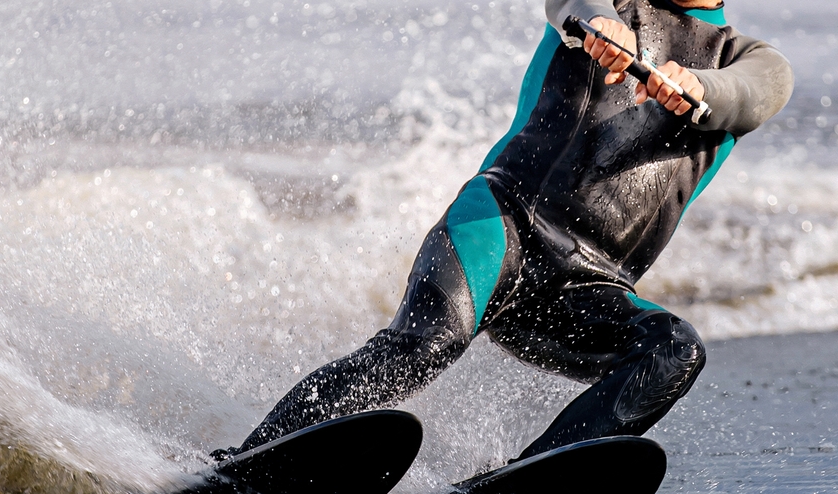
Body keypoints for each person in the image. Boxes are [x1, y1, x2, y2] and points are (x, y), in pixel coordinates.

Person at [213, 0, 794, 464]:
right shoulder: (609, 3)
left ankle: (523, 490)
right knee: (422, 347)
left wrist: (696, 88)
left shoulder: (753, 60)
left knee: (675, 349)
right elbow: (570, 2)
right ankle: (249, 461)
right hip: (502, 225)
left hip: (587, 292)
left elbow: (749, 93)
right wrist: (599, 26)